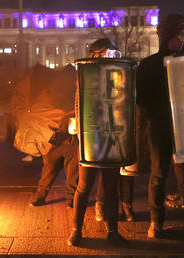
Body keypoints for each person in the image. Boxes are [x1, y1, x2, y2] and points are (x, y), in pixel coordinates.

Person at [136, 14, 184, 249]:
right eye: (179, 34)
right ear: (167, 37)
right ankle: (156, 222)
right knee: (158, 173)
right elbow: (142, 98)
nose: (183, 38)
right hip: (161, 126)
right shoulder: (149, 64)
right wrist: (155, 117)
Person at [67, 38, 128, 247]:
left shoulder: (116, 74)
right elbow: (79, 103)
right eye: (106, 52)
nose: (110, 56)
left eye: (112, 52)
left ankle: (112, 232)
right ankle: (76, 231)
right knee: (83, 186)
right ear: (96, 54)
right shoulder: (86, 74)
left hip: (111, 138)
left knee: (111, 188)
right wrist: (81, 133)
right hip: (90, 138)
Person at [29, 112, 79, 208]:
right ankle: (40, 196)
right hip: (57, 137)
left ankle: (71, 200)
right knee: (48, 170)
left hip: (73, 140)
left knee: (73, 172)